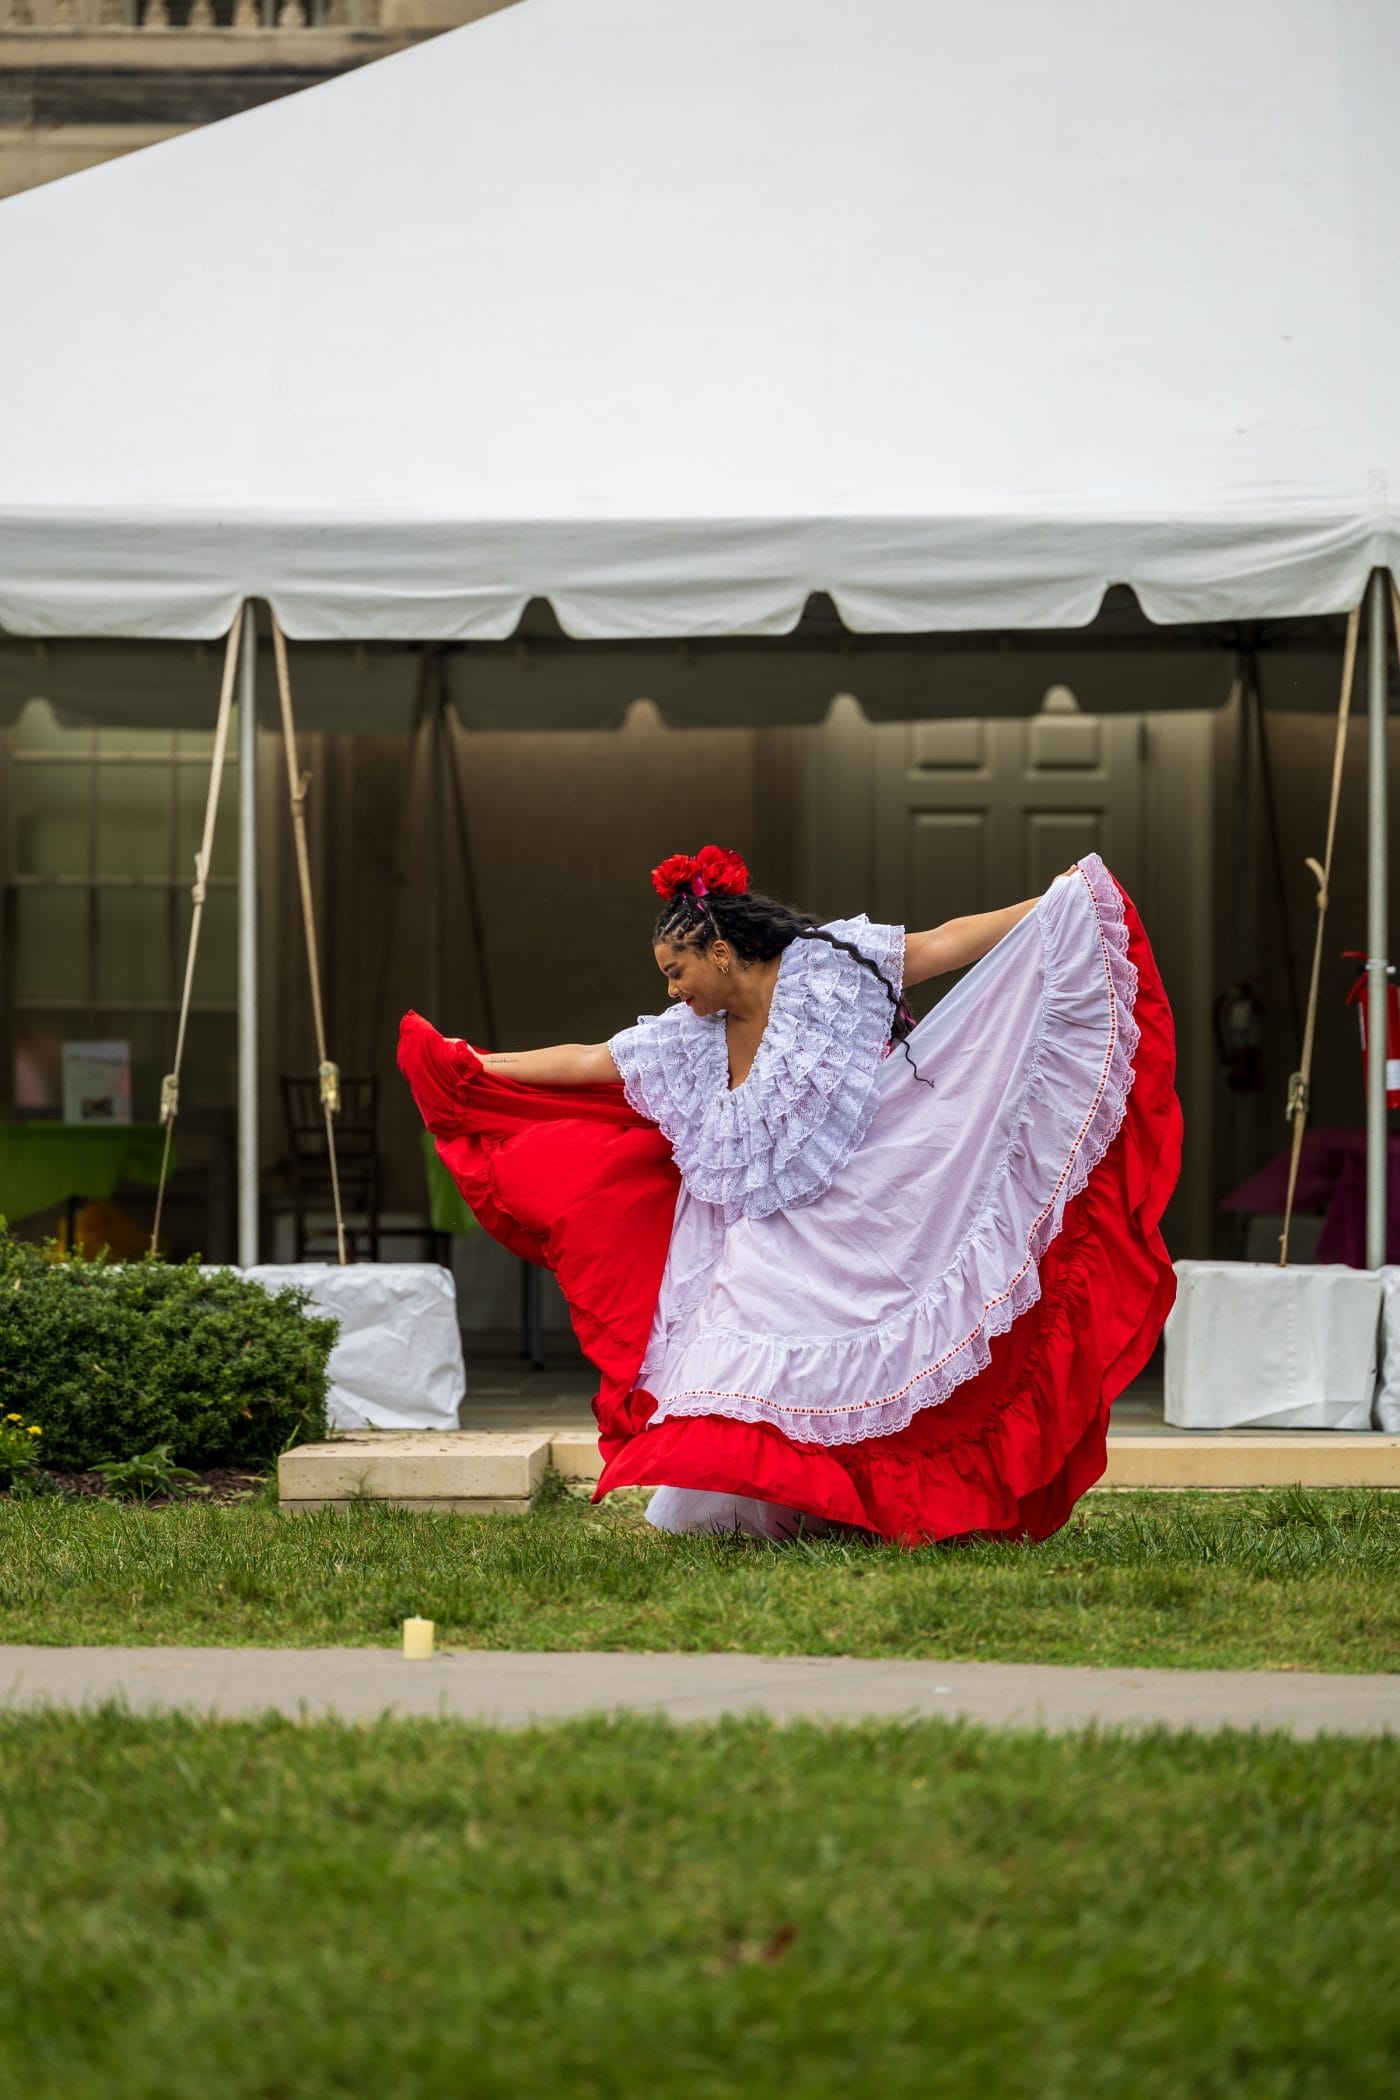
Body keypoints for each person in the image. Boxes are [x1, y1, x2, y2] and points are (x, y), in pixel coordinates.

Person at [398, 845, 1181, 1545]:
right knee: (741, 1355)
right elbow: (591, 1059)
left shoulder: (825, 970)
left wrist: (1049, 905)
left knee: (854, 1364)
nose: (672, 990)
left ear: (722, 951)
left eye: (677, 971)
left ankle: (846, 1504)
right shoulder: (688, 1039)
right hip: (762, 1233)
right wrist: (478, 1064)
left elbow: (939, 945)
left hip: (861, 1209)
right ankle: (772, 1503)